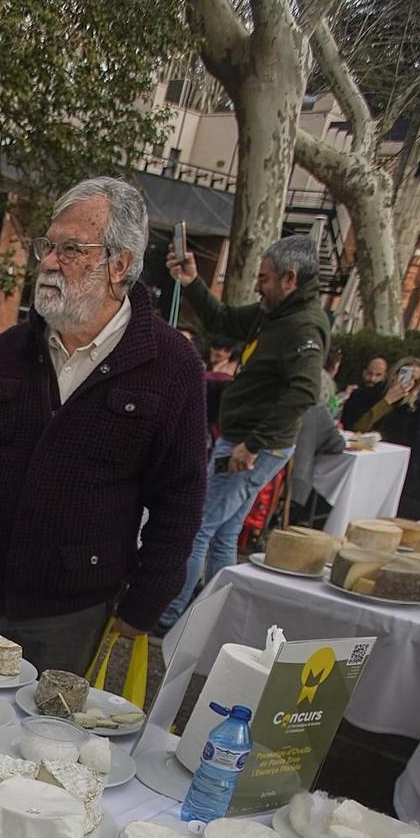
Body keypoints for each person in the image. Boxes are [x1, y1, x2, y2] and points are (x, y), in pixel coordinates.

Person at [0, 177, 207, 670]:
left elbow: (180, 498)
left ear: (120, 265)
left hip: (69, 617)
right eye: (48, 246)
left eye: (71, 249)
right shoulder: (11, 350)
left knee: (41, 744)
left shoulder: (171, 366)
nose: (50, 262)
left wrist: (146, 600)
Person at [157, 232, 329, 629]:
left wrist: (253, 445)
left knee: (199, 525)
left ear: (290, 279)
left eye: (265, 278)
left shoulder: (302, 326)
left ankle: (169, 614)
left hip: (251, 444)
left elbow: (304, 391)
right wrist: (192, 282)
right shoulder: (276, 315)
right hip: (247, 440)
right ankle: (216, 615)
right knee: (222, 532)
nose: (259, 285)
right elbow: (223, 320)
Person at [339, 355, 388, 429]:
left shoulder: (385, 395)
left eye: (378, 375)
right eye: (370, 373)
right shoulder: (354, 393)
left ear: (384, 376)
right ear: (364, 373)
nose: (372, 379)